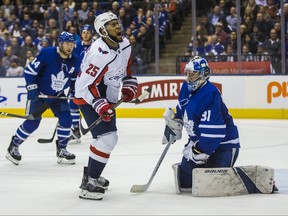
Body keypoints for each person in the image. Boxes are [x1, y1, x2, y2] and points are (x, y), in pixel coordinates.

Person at [74, 12, 138, 200]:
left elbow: (125, 68)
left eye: (117, 23)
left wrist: (128, 83)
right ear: (103, 30)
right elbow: (84, 85)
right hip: (87, 97)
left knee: (105, 138)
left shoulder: (124, 44)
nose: (118, 27)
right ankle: (89, 183)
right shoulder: (97, 53)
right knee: (108, 138)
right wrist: (98, 103)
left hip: (106, 93)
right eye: (112, 25)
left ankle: (91, 174)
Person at [162, 56, 240, 189]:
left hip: (223, 146)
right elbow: (182, 109)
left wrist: (199, 150)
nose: (188, 78)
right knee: (186, 182)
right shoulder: (186, 88)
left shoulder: (210, 94)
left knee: (213, 185)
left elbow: (214, 131)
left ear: (204, 74)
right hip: (199, 142)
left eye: (193, 74)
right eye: (187, 74)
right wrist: (175, 123)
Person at [6, 31, 81, 166]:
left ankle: (62, 149)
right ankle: (14, 145)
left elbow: (75, 79)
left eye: (72, 44)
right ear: (60, 43)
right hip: (39, 94)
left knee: (66, 118)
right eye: (67, 44)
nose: (70, 47)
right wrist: (32, 87)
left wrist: (75, 90)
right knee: (33, 122)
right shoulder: (48, 53)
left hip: (57, 96)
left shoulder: (76, 60)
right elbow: (29, 71)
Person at [69, 24, 95, 143]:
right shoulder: (76, 45)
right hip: (77, 80)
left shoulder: (96, 46)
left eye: (88, 32)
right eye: (83, 32)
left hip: (92, 80)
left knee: (92, 105)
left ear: (91, 33)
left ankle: (98, 129)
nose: (85, 34)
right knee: (72, 104)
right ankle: (75, 129)